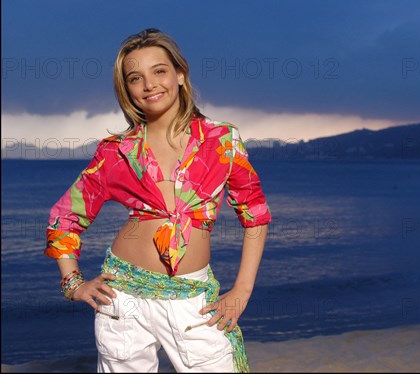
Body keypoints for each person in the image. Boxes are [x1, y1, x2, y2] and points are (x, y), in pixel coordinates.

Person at [44, 28, 272, 373]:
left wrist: (242, 289)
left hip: (191, 298)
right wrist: (73, 283)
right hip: (121, 297)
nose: (149, 84)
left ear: (180, 74)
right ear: (128, 91)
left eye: (159, 71)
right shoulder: (115, 151)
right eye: (136, 78)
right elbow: (65, 216)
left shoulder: (222, 139)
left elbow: (255, 213)